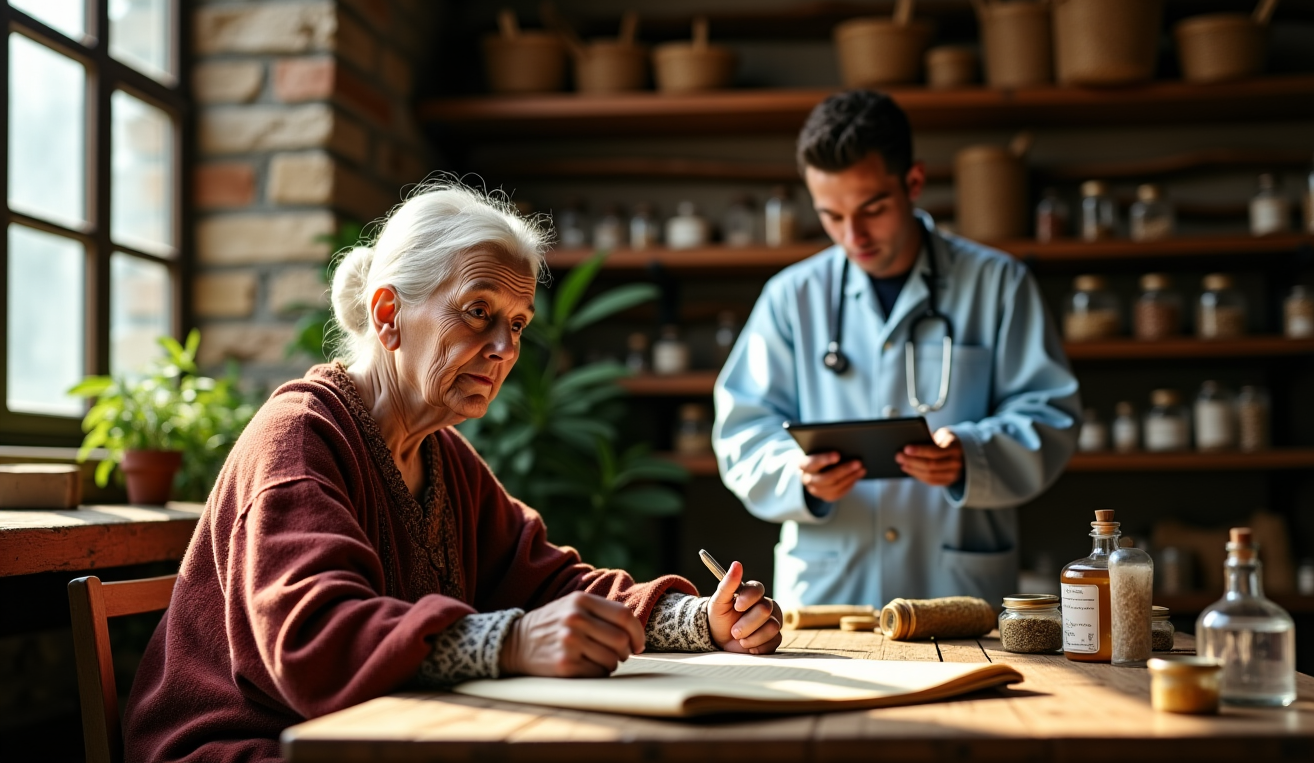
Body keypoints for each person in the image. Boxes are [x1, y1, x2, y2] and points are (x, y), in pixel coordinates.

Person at [123, 183, 782, 762]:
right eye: (478, 311)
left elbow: (549, 583)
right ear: (388, 315)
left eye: (517, 324)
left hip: (371, 735)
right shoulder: (299, 439)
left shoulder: (443, 456)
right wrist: (511, 640)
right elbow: (315, 638)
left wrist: (700, 620)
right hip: (251, 747)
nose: (504, 349)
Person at [713, 91, 1080, 609]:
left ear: (914, 183)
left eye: (873, 209)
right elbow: (742, 430)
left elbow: (1050, 414)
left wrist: (971, 455)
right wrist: (796, 474)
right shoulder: (791, 297)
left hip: (957, 591)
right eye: (831, 215)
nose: (853, 236)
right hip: (828, 597)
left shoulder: (998, 283)